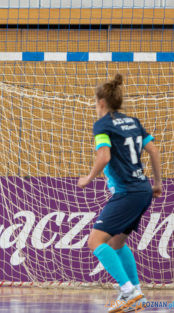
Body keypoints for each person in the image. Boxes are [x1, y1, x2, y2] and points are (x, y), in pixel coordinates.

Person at [77, 74, 162, 313]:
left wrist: (88, 178)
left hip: (126, 191)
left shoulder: (102, 125)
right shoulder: (134, 122)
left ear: (101, 103)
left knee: (95, 241)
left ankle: (128, 291)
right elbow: (153, 151)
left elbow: (103, 156)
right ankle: (136, 293)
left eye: (95, 103)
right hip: (143, 189)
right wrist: (157, 183)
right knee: (116, 242)